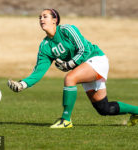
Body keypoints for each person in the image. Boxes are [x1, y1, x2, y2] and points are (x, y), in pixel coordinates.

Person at [8, 8, 138, 128]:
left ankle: (66, 120)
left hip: (96, 59)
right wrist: (23, 84)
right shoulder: (45, 46)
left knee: (70, 78)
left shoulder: (67, 30)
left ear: (55, 20)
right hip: (84, 67)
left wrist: (69, 64)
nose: (41, 19)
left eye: (45, 16)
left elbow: (84, 49)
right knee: (104, 108)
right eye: (39, 17)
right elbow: (39, 71)